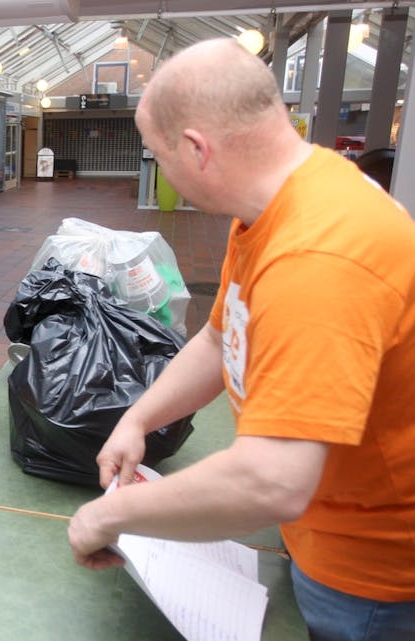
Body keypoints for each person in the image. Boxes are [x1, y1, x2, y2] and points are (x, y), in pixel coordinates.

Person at [67, 38, 415, 641]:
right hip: (321, 527)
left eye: (157, 155)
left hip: (371, 575)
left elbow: (270, 479)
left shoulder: (318, 256)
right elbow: (218, 337)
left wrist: (110, 514)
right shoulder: (271, 207)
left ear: (197, 149)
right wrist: (138, 419)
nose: (159, 171)